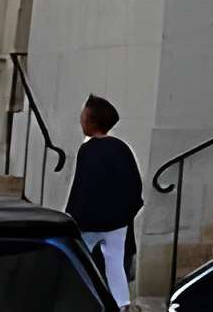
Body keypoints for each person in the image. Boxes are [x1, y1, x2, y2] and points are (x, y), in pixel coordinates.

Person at [65, 94, 143, 309]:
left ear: (91, 120)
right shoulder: (121, 148)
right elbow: (134, 185)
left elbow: (82, 187)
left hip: (88, 221)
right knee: (116, 264)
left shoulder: (87, 150)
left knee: (82, 262)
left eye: (83, 115)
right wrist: (128, 212)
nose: (80, 119)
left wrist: (72, 216)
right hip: (118, 221)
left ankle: (82, 299)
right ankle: (121, 304)